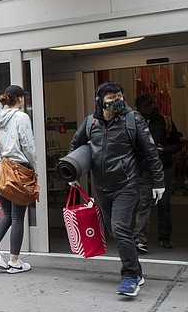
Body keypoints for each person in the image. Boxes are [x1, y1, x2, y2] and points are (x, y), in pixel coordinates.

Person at [70, 82, 164, 297]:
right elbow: (75, 145)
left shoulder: (133, 119)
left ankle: (130, 276)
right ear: (100, 101)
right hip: (101, 188)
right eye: (111, 98)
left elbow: (151, 151)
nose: (117, 101)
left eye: (120, 96)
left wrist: (159, 182)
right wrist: (72, 173)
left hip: (126, 186)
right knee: (116, 231)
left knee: (120, 227)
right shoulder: (90, 122)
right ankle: (137, 271)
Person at [0, 84, 37, 274]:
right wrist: (35, 168)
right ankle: (14, 261)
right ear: (20, 99)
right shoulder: (21, 117)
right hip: (16, 172)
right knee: (17, 217)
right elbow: (28, 146)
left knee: (7, 214)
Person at [133, 94, 181, 251]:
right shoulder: (134, 123)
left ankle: (165, 237)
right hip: (144, 169)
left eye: (151, 103)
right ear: (138, 108)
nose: (149, 107)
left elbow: (177, 144)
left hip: (163, 167)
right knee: (144, 203)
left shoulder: (165, 121)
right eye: (145, 105)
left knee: (164, 204)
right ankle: (140, 240)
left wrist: (165, 150)